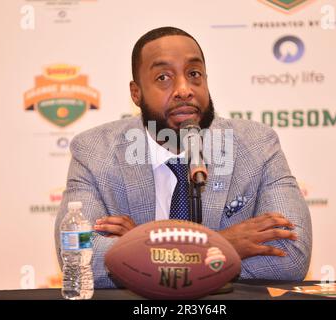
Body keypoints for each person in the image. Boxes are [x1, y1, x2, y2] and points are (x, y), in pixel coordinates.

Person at [54, 26, 312, 288]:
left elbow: (290, 258)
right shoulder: (93, 151)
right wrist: (222, 244)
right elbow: (78, 259)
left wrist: (140, 247)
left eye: (194, 74)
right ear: (136, 93)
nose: (184, 89)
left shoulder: (257, 145)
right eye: (163, 77)